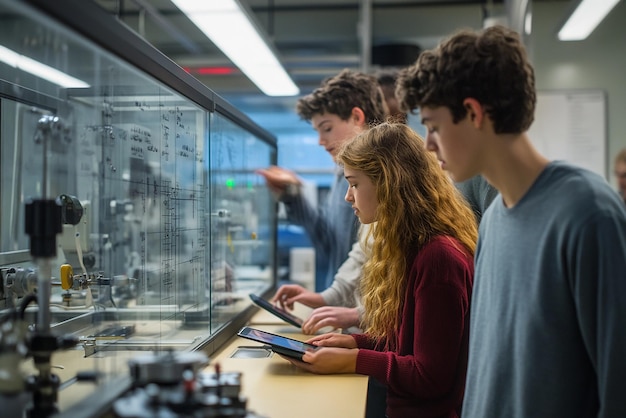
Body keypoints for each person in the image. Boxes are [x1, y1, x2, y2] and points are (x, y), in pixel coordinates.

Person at [397, 25, 626, 418]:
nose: (429, 145)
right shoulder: (494, 220)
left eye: (434, 127)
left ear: (472, 112)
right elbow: (488, 365)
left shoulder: (588, 213)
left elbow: (618, 384)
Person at [281, 122, 478, 418]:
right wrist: (353, 341)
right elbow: (409, 343)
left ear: (388, 182)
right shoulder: (413, 248)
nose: (349, 196)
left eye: (355, 183)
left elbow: (430, 376)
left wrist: (353, 360)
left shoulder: (439, 259)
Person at [257, 69, 386, 292]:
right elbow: (329, 241)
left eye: (327, 128)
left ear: (357, 117)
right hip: (342, 311)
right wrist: (292, 193)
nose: (320, 141)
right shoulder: (341, 174)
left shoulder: (388, 177)